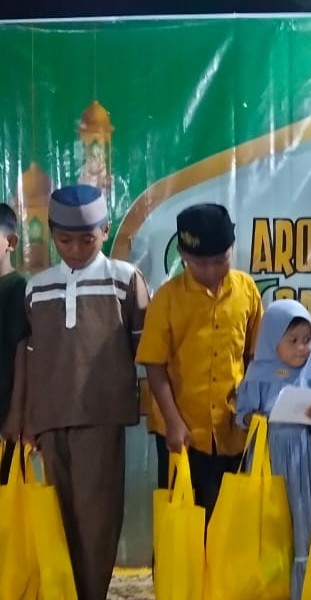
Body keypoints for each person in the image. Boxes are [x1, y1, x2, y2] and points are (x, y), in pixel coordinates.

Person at [19, 184, 149, 600]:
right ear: (51, 234)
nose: (75, 250)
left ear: (105, 231)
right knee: (58, 516)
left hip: (101, 416)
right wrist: (26, 419)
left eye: (87, 240)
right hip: (49, 418)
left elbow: (145, 349)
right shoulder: (37, 287)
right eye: (65, 240)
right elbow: (31, 355)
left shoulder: (124, 280)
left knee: (98, 518)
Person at [137, 203, 263, 521]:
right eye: (199, 263)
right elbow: (154, 365)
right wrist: (173, 421)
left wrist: (252, 404)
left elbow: (254, 355)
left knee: (229, 521)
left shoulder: (247, 290)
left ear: (232, 250)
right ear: (183, 256)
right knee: (182, 521)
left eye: (220, 261)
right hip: (182, 430)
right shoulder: (166, 299)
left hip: (232, 427)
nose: (210, 271)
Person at [235, 299, 311, 600]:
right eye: (293, 341)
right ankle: (269, 587)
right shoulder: (258, 372)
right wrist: (255, 419)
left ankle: (300, 589)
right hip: (268, 454)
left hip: (301, 456)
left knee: (301, 514)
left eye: (307, 340)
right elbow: (241, 415)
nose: (302, 348)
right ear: (272, 339)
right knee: (271, 519)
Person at [0, 203, 29, 483]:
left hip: (4, 408)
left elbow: (22, 353)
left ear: (11, 242)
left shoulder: (18, 287)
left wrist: (16, 413)